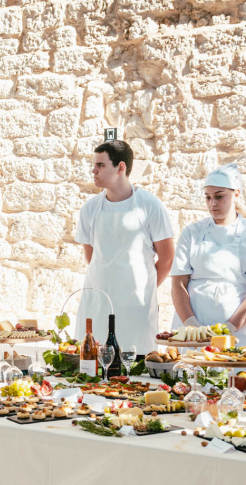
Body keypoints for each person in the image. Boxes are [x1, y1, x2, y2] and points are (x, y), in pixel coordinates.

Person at [76, 140, 174, 357]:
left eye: (100, 165)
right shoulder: (90, 209)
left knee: (136, 368)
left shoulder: (151, 206)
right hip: (98, 301)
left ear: (120, 168)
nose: (93, 170)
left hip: (136, 307)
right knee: (93, 364)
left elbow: (167, 258)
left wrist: (144, 289)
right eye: (94, 164)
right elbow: (92, 258)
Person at [170, 164, 246, 346]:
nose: (212, 203)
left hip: (239, 330)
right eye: (208, 197)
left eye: (219, 196)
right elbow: (178, 284)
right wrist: (192, 326)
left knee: (236, 373)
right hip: (191, 330)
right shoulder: (192, 233)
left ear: (236, 194)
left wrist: (228, 329)